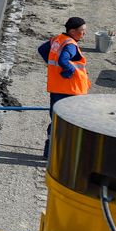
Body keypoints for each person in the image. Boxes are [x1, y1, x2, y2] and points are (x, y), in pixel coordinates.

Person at [38, 17, 90, 157]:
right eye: (82, 31)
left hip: (56, 89)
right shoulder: (70, 45)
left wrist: (52, 66)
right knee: (70, 122)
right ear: (72, 31)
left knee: (55, 120)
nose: (84, 34)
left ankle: (49, 152)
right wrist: (69, 71)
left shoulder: (57, 39)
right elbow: (63, 60)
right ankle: (63, 154)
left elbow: (42, 49)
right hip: (70, 91)